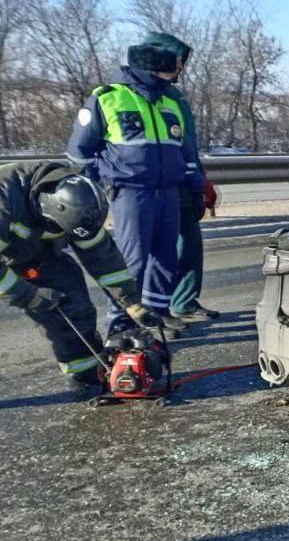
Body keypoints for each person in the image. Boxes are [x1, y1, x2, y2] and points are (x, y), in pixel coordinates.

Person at [67, 42, 203, 336]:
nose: (173, 78)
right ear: (151, 71)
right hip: (131, 193)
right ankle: (121, 325)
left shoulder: (170, 104)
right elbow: (79, 153)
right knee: (133, 262)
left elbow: (186, 154)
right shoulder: (108, 99)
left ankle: (154, 316)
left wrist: (195, 189)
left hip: (168, 192)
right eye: (169, 73)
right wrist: (95, 191)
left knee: (167, 258)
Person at [0, 162, 161, 394]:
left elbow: (104, 259)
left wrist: (132, 303)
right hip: (13, 250)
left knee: (70, 298)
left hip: (32, 251)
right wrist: (29, 296)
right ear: (45, 208)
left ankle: (86, 373)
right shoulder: (6, 199)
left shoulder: (78, 203)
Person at [138, 31, 220, 322]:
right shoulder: (144, 95)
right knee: (159, 252)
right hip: (157, 187)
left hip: (184, 181)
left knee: (189, 245)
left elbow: (186, 144)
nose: (181, 69)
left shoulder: (174, 97)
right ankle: (151, 313)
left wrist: (200, 180)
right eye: (178, 62)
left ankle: (183, 301)